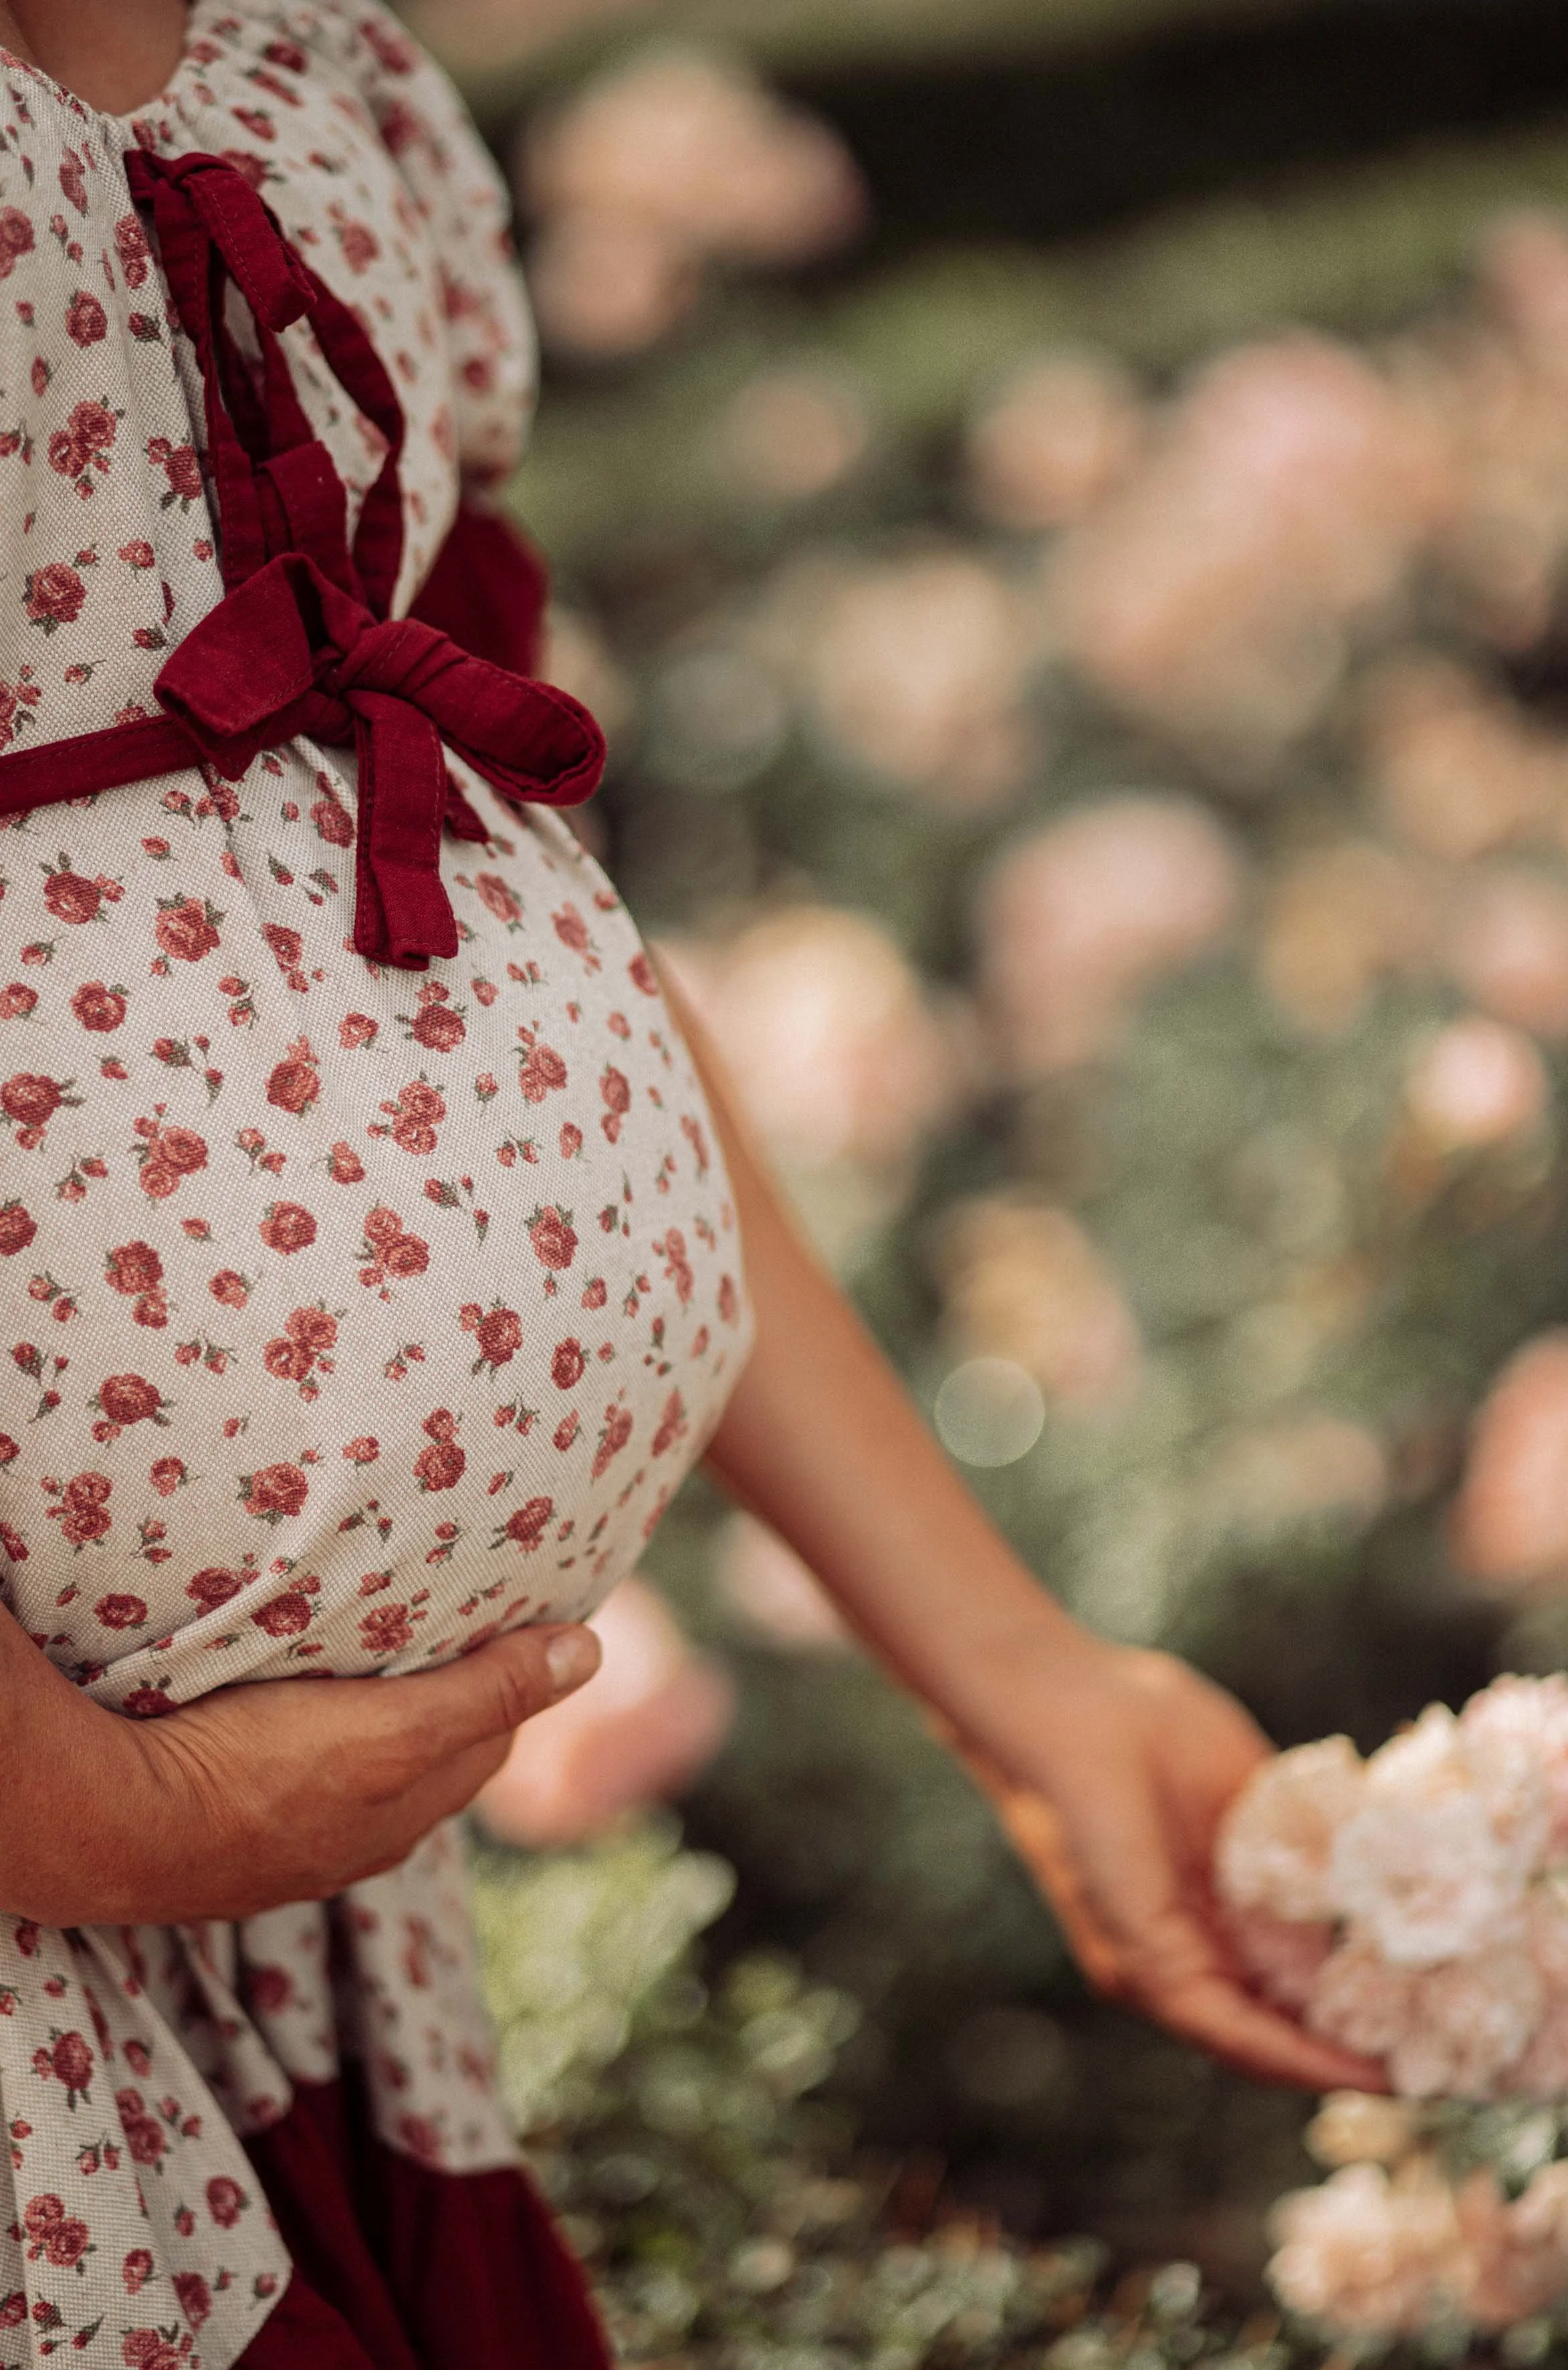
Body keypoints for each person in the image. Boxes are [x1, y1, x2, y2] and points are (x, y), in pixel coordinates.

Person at [0, 5, 1380, 2367]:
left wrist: (1019, 1672)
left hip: (301, 1972)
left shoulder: (306, 75)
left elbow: (485, 897)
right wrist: (69, 1810)